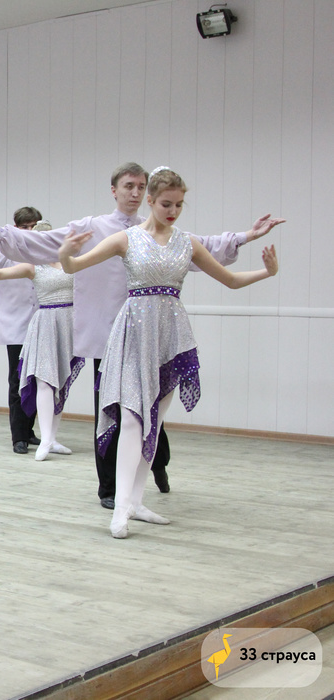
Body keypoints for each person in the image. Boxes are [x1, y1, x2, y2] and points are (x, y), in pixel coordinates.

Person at [0, 162, 284, 508]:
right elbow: (48, 242)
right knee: (110, 409)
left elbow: (205, 247)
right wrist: (2, 233)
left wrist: (247, 236)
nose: (135, 193)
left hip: (150, 332)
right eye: (129, 186)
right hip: (107, 331)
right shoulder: (95, 228)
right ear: (115, 190)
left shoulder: (160, 231)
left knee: (150, 407)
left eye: (140, 186)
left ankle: (156, 466)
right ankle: (109, 489)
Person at [58, 167, 279, 538]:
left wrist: (267, 273)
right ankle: (120, 508)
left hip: (170, 336)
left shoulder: (187, 242)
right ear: (150, 201)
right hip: (133, 334)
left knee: (154, 422)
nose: (173, 210)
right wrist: (66, 254)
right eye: (166, 204)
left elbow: (230, 280)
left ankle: (136, 502)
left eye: (178, 205)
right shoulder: (125, 238)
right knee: (132, 419)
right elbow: (74, 267)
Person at [0, 254, 83, 462]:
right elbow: (1, 272)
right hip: (42, 323)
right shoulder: (32, 266)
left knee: (61, 382)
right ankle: (30, 438)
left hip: (67, 325)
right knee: (39, 379)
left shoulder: (70, 262)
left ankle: (47, 436)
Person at [0, 207, 44, 455]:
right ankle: (18, 436)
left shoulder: (43, 251)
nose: (30, 231)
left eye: (34, 226)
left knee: (37, 380)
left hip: (41, 325)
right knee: (17, 381)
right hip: (16, 326)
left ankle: (29, 429)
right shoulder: (5, 251)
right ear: (16, 228)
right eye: (25, 227)